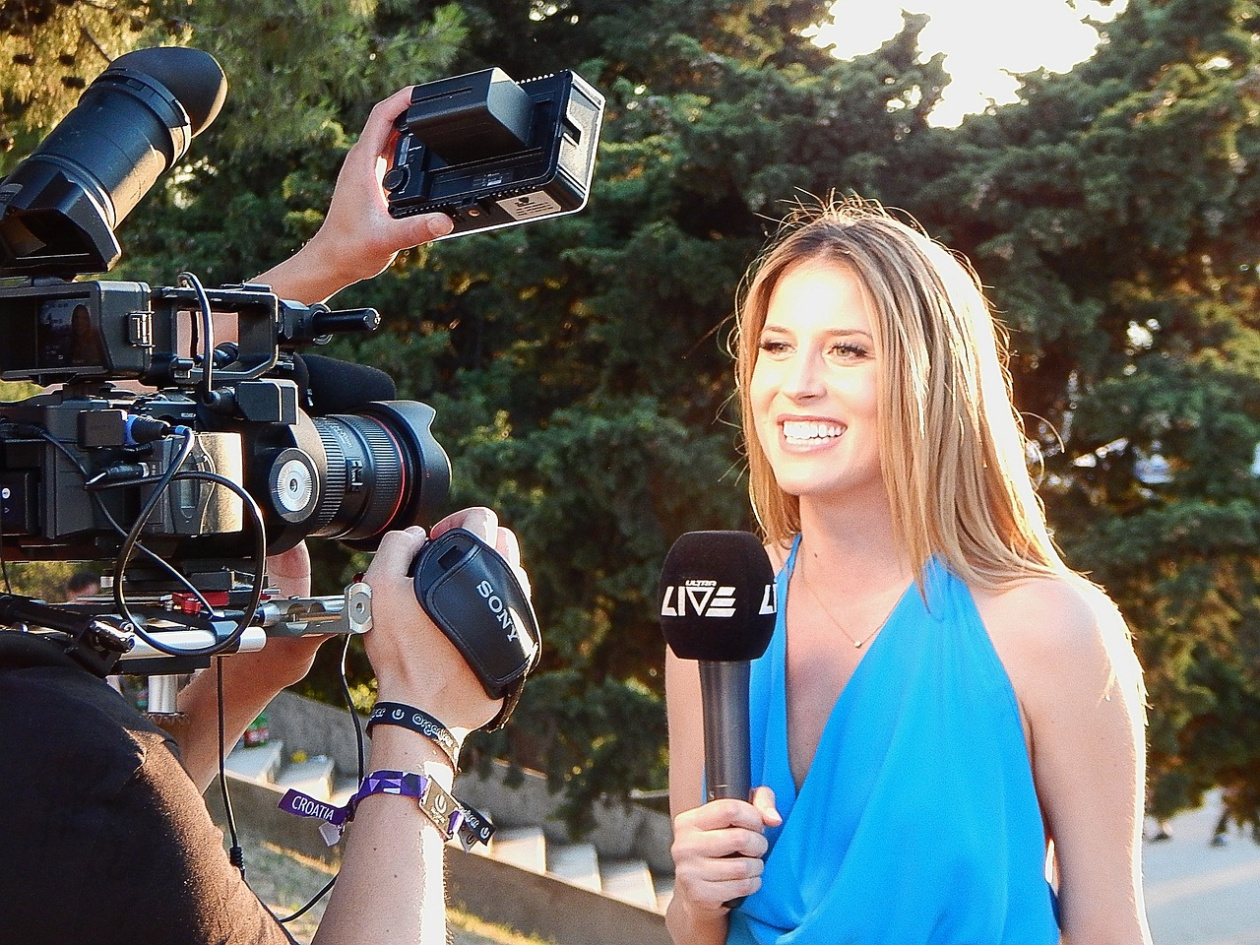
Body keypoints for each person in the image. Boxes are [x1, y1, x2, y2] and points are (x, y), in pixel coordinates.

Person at [0, 86, 520, 945]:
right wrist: (423, 725)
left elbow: (89, 877)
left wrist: (243, 681)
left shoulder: (64, 773)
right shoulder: (66, 758)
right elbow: (89, 827)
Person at [664, 198, 1152, 944]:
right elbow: (698, 927)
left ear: (932, 378)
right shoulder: (716, 609)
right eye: (776, 345)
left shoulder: (1051, 628)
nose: (797, 383)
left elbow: (1109, 928)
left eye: (848, 350)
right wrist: (697, 901)